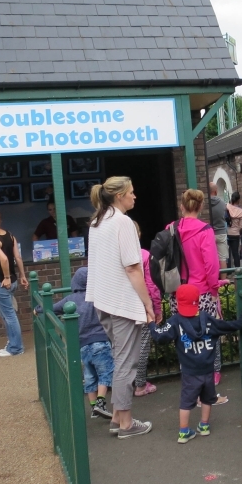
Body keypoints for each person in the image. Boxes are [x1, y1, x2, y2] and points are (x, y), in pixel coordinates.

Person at [86, 176, 155, 439]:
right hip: (122, 302)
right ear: (119, 196)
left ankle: (117, 416)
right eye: (132, 192)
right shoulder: (122, 222)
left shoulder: (97, 222)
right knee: (127, 362)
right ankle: (126, 422)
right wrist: (147, 303)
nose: (134, 196)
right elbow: (132, 267)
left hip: (102, 300)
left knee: (120, 358)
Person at [150, 284, 242, 443]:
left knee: (186, 402)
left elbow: (160, 336)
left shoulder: (176, 321)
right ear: (198, 300)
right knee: (208, 398)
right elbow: (227, 326)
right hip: (208, 370)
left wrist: (151, 324)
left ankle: (183, 431)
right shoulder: (206, 318)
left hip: (189, 371)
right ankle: (204, 426)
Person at [170, 189, 228, 399]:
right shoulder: (205, 230)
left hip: (178, 291)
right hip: (202, 291)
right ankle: (213, 374)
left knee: (184, 334)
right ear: (201, 206)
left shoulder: (171, 228)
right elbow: (211, 265)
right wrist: (214, 288)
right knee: (209, 332)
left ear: (182, 206)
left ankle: (188, 373)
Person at [53, 267, 114, 420]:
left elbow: (52, 308)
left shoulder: (70, 300)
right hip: (100, 342)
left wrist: (38, 309)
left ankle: (93, 407)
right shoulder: (97, 296)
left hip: (82, 345)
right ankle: (101, 402)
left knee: (90, 377)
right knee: (105, 373)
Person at [0, 209, 29, 357]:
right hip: (12, 280)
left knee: (9, 315)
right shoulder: (10, 235)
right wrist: (22, 275)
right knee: (4, 312)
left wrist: (6, 277)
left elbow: (3, 259)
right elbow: (18, 257)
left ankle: (16, 348)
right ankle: (12, 343)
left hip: (1, 282)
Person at [134, 221, 160, 397]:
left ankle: (126, 383)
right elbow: (151, 285)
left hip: (121, 308)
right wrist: (156, 308)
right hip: (141, 306)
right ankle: (140, 385)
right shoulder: (144, 255)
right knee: (142, 347)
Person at [208, 183, 229, 267]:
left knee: (211, 257)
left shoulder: (206, 203)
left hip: (209, 233)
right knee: (223, 258)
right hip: (221, 232)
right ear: (216, 191)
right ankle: (224, 279)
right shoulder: (222, 203)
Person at [226, 192, 242, 267]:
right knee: (235, 253)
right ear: (238, 200)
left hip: (227, 233)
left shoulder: (227, 207)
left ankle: (228, 270)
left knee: (227, 253)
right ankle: (238, 269)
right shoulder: (241, 212)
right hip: (236, 234)